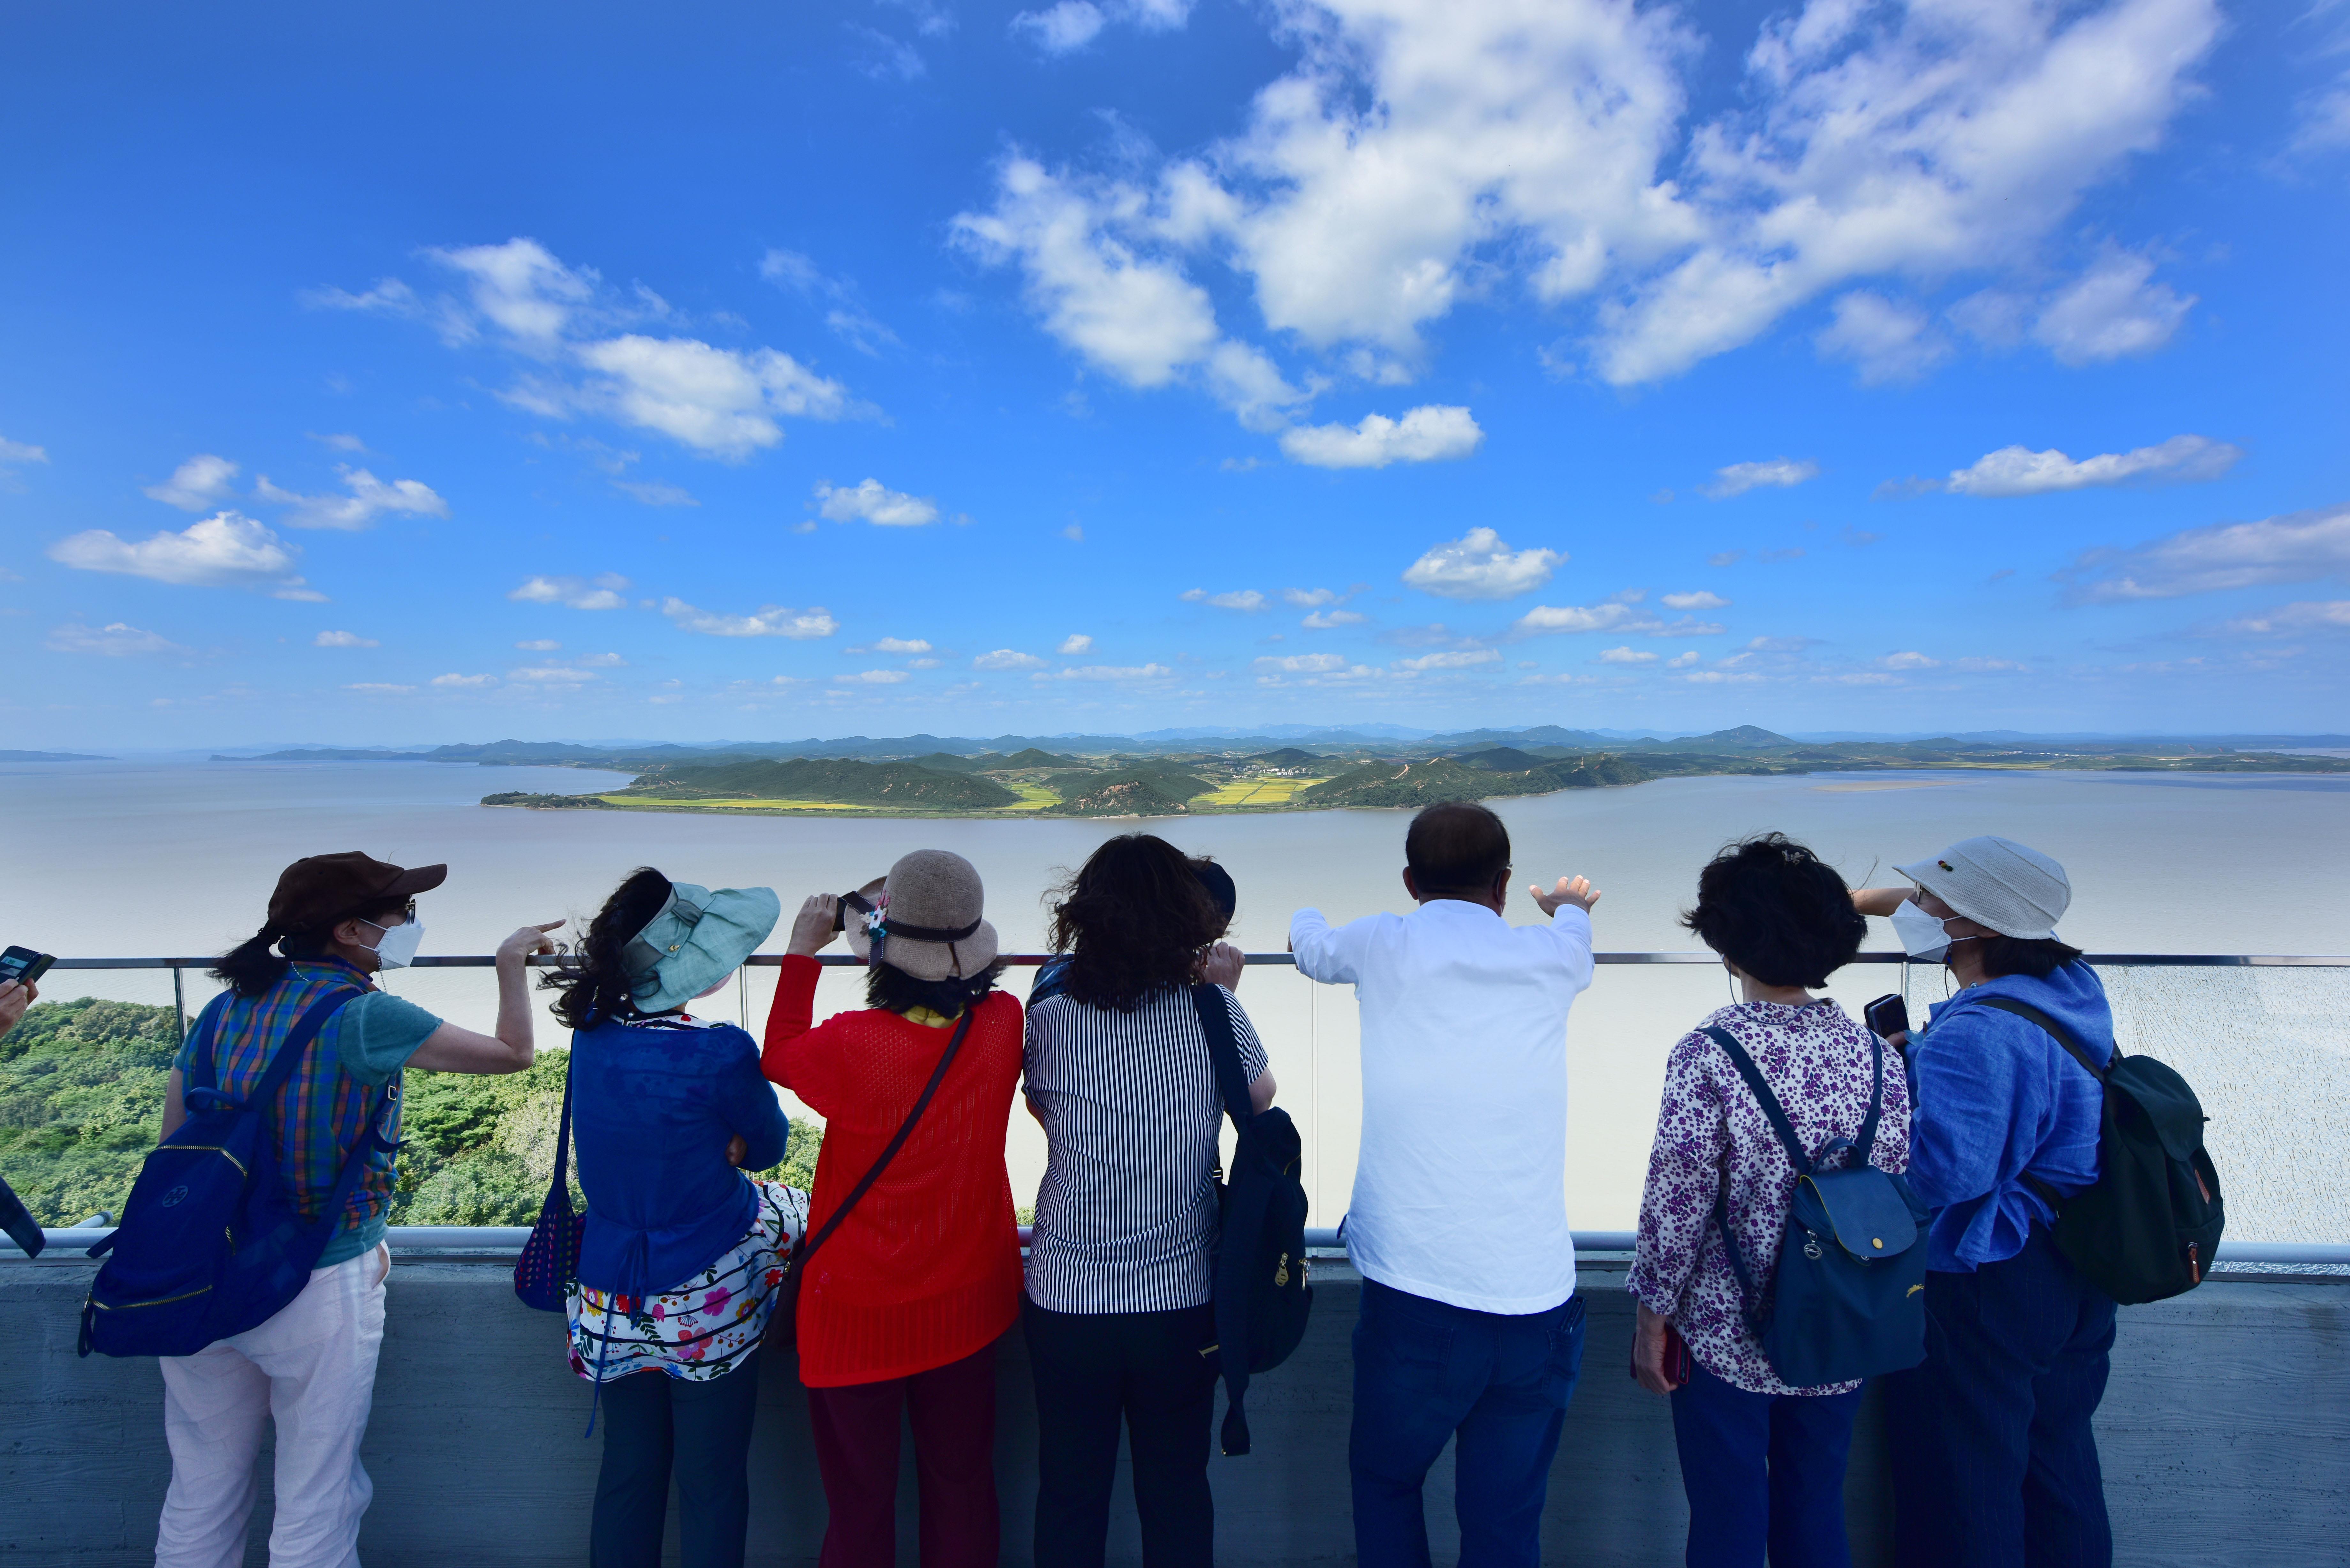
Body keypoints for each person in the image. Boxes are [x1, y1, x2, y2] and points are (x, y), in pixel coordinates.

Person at [154, 851, 557, 1568]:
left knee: (201, 1487)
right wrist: (510, 960)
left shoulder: (223, 1007)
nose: (411, 922)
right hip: (319, 1273)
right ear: (349, 930)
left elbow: (173, 1140)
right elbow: (513, 1053)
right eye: (400, 912)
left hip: (199, 1267)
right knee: (317, 1491)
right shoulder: (367, 1013)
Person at [1289, 801, 1601, 1568]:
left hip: (1415, 1294)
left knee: (1387, 1481)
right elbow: (1574, 932)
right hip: (1535, 1299)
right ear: (1500, 884)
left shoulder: (1383, 941)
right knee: (1503, 1522)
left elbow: (1312, 948)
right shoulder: (1551, 956)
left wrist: (1301, 906)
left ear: (1407, 881)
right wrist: (1564, 906)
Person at [1626, 833, 1912, 1568]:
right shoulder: (1878, 1055)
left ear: (1727, 944)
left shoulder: (1710, 1051)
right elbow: (1893, 1181)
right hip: (1841, 1320)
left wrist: (1651, 1316)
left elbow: (1676, 1198)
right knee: (1814, 1508)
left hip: (1728, 1326)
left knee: (1726, 1516)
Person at [1853, 837, 2115, 1568]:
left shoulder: (1979, 1030)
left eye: (1936, 900)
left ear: (1974, 923)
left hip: (1994, 1276)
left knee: (1963, 1482)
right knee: (2058, 1466)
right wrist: (1850, 903)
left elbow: (1942, 1174)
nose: (1922, 910)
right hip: (2074, 1263)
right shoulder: (2069, 986)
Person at [763, 849, 1024, 1568]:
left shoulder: (853, 1043)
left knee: (859, 1504)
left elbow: (779, 1052)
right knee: (964, 1488)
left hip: (856, 1312)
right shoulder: (1003, 1023)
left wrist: (800, 953)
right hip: (968, 1298)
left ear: (884, 949)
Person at [1021, 835, 1276, 1568]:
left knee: (1068, 1491)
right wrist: (1222, 993)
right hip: (1181, 1302)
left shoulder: (1048, 1017)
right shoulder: (1212, 1013)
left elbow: (1042, 1105)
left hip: (1066, 1299)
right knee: (1175, 1490)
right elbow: (1257, 1100)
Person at [543, 868, 804, 1568]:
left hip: (607, 1300)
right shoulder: (718, 1050)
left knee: (628, 1475)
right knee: (711, 1482)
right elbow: (770, 1148)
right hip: (706, 1300)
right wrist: (734, 1142)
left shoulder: (590, 1039)